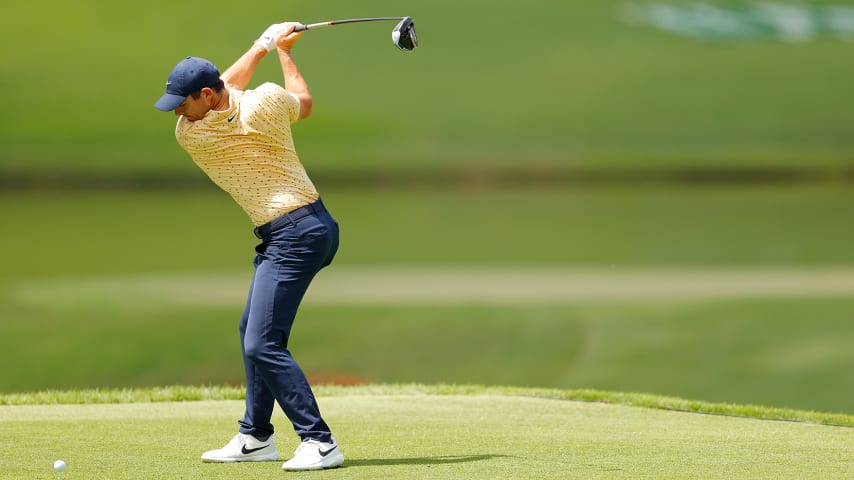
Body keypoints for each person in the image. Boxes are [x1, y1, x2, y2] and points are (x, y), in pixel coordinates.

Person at [153, 22, 344, 471]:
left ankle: (320, 442)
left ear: (204, 94)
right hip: (300, 229)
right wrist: (282, 52)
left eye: (183, 103)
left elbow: (227, 87)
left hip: (298, 234)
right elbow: (305, 103)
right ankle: (256, 435)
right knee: (253, 334)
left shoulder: (193, 133)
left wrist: (264, 44)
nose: (178, 113)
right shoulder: (266, 102)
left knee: (263, 344)